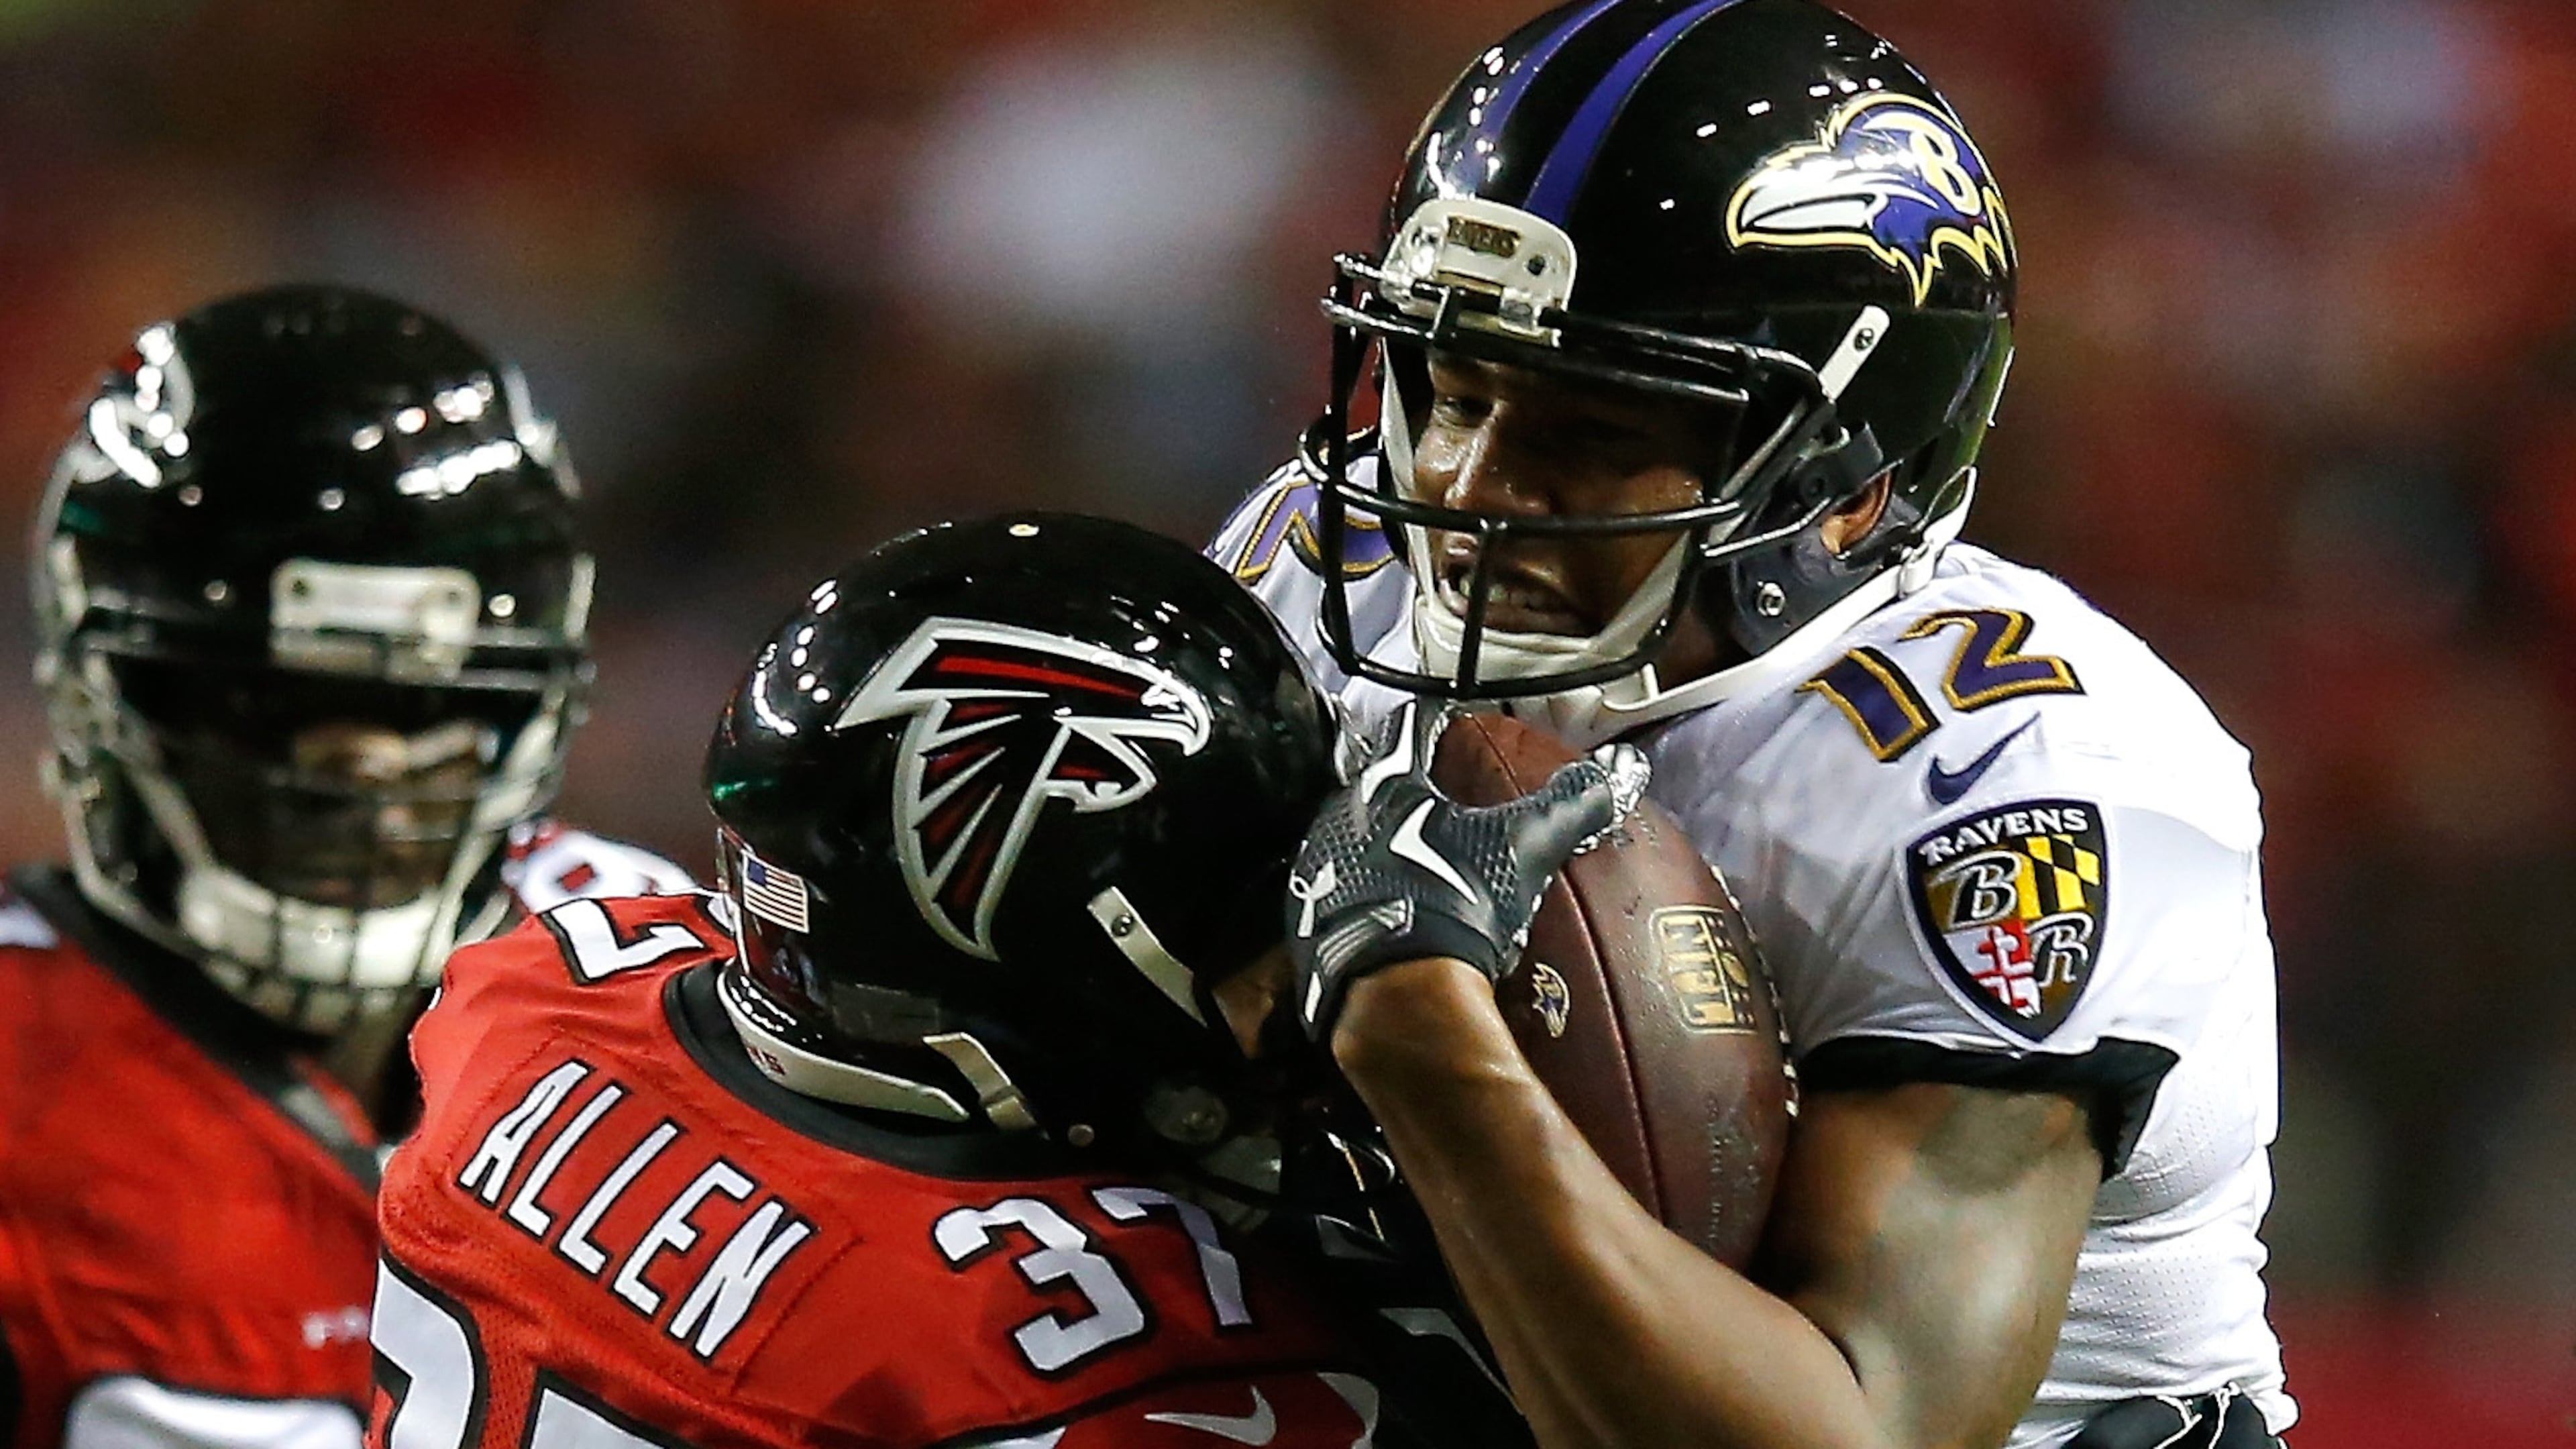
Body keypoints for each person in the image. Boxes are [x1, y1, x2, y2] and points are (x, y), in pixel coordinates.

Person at [1214, 1, 2292, 1446]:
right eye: (1453, 389)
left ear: (1844, 487)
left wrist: (1420, 1033)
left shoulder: (2018, 777)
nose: (1469, 489)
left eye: (1588, 436)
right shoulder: (1324, 551)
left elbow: (1866, 1429)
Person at [368, 515, 1528, 1449]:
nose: (1290, 973)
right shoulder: (1071, 1352)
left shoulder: (532, 994)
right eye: (1247, 927)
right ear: (1054, 964)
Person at [0, 286, 690, 1449]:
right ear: (102, 702)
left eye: (419, 703)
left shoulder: (668, 990)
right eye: (268, 704)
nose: (356, 771)